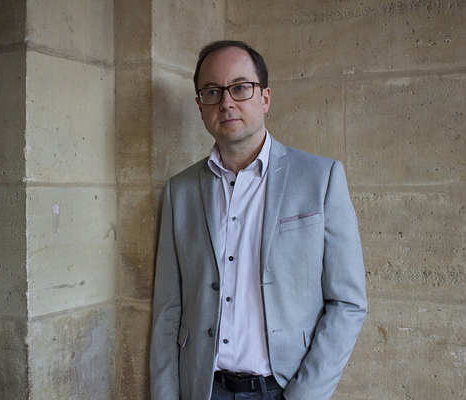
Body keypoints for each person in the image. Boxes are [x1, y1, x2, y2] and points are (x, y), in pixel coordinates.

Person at [149, 40, 367, 400]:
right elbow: (168, 309)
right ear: (200, 106)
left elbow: (348, 303)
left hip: (282, 389)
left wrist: (304, 395)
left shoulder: (320, 178)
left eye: (240, 88)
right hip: (203, 389)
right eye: (212, 92)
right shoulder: (180, 191)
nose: (226, 102)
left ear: (265, 98)